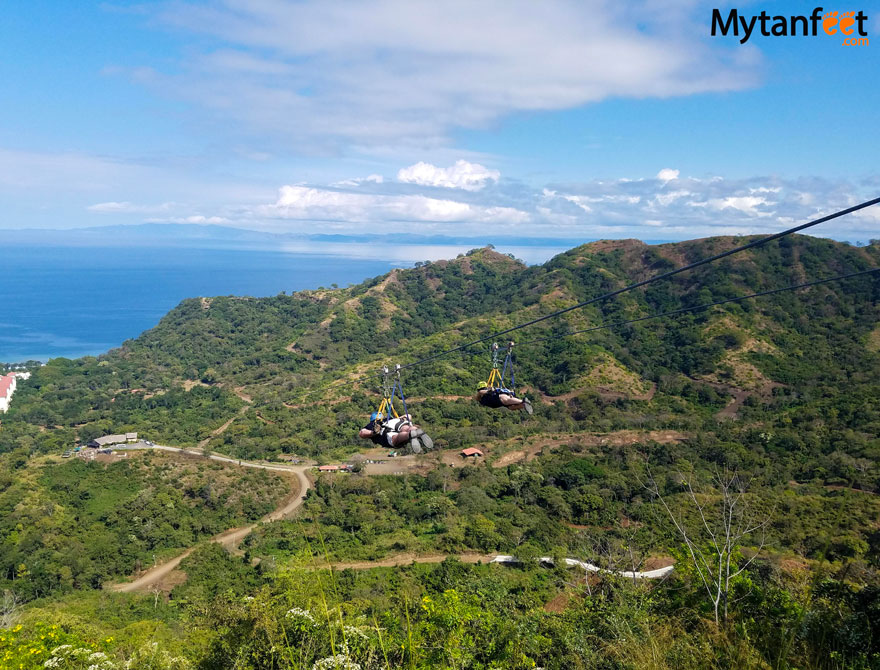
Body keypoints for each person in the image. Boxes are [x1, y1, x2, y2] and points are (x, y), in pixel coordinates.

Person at [359, 412, 434, 453]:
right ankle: (414, 430)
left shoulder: (371, 425)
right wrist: (403, 418)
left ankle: (410, 435)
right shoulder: (389, 418)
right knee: (405, 427)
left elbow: (362, 433)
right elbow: (409, 416)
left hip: (384, 431)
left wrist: (373, 432)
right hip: (394, 422)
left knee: (396, 438)